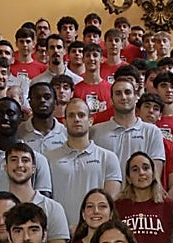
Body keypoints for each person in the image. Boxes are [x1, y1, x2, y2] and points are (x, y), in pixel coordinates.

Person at [46, 98, 122, 230]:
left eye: (81, 115)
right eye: (71, 115)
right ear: (64, 122)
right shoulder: (49, 158)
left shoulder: (108, 157)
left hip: (98, 232)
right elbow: (46, 201)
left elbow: (111, 203)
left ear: (90, 121)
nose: (76, 119)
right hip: (60, 233)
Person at [91, 76, 166, 180]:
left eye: (127, 92)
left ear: (136, 97)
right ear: (111, 100)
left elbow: (155, 175)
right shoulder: (96, 131)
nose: (123, 97)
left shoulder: (152, 132)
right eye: (118, 93)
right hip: (107, 195)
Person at [114, 151, 172, 243]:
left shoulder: (168, 206)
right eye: (135, 169)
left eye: (146, 168)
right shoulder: (118, 207)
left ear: (153, 173)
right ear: (128, 178)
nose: (141, 173)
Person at [18, 82, 67, 154]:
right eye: (37, 97)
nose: (42, 100)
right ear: (30, 102)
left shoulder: (66, 133)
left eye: (47, 97)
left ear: (55, 102)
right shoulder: (19, 132)